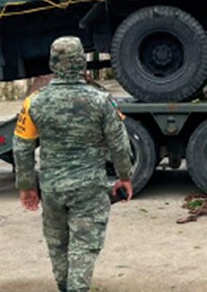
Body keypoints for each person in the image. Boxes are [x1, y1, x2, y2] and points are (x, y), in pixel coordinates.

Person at [14, 36, 133, 292]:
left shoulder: (33, 101)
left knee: (57, 244)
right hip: (89, 188)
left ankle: (65, 286)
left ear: (52, 63)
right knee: (84, 247)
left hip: (52, 189)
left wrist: (27, 187)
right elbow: (120, 144)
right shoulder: (101, 100)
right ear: (82, 63)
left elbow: (22, 147)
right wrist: (124, 176)